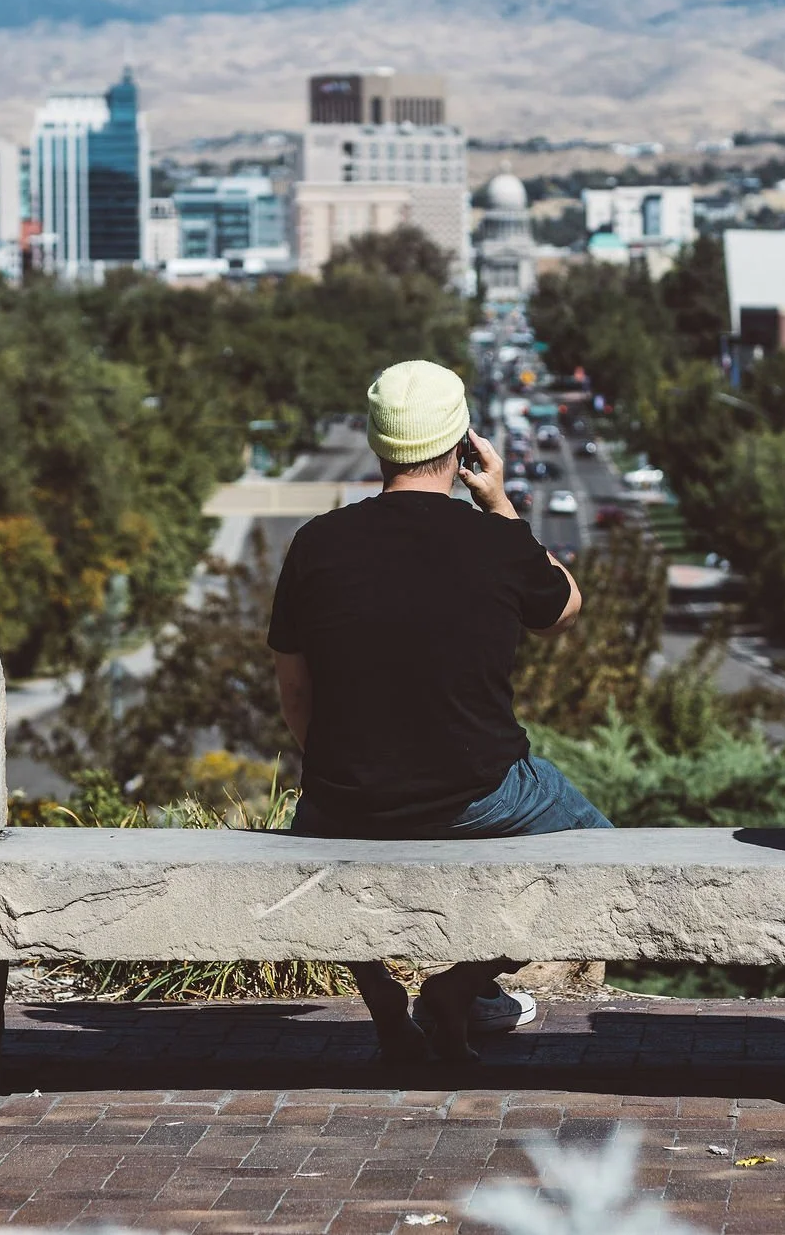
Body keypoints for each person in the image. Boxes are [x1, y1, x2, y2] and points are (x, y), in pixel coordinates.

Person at [268, 359, 612, 1064]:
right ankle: (461, 985)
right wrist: (501, 502)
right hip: (483, 794)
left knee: (311, 846)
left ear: (376, 443)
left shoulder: (316, 544)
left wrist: (340, 771)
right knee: (608, 854)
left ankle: (387, 1007)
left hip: (345, 798)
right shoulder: (494, 540)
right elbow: (566, 605)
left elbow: (294, 693)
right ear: (462, 447)